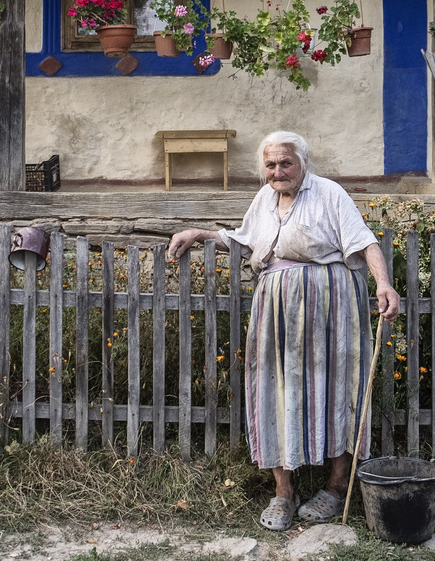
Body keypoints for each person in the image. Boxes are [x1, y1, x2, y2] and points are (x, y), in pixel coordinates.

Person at [167, 131, 401, 531]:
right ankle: (283, 492)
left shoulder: (329, 193)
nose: (278, 171)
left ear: (303, 162)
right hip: (274, 309)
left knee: (335, 388)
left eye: (285, 163)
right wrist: (199, 233)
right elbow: (242, 238)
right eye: (271, 165)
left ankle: (336, 486)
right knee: (273, 389)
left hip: (331, 308)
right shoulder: (264, 198)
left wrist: (383, 282)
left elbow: (364, 243)